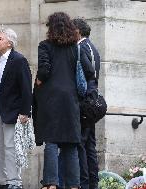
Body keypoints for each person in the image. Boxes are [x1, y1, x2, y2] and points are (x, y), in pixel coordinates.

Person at [33, 12, 95, 189]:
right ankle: (74, 185)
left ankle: (51, 184)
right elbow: (89, 71)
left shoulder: (44, 46)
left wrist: (38, 81)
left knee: (51, 141)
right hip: (71, 100)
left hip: (50, 99)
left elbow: (44, 70)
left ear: (51, 27)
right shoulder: (75, 47)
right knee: (70, 143)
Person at [0, 26, 32, 189]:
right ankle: (2, 181)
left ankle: (14, 182)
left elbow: (26, 88)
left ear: (10, 43)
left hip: (14, 112)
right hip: (0, 110)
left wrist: (25, 112)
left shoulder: (19, 60)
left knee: (11, 147)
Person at [73, 18, 100, 189]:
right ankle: (93, 182)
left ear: (77, 31)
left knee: (82, 145)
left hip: (85, 101)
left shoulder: (81, 47)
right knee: (90, 145)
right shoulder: (93, 47)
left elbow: (83, 78)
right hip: (93, 101)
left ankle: (84, 183)